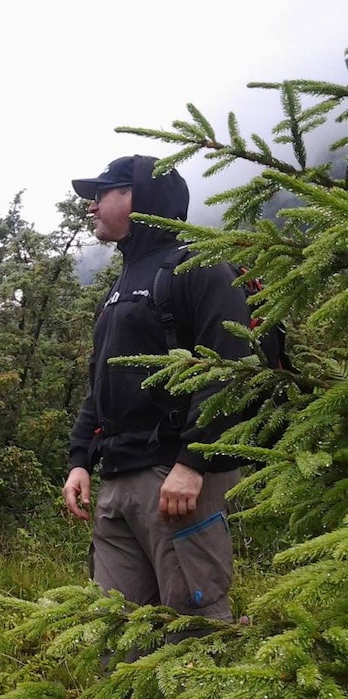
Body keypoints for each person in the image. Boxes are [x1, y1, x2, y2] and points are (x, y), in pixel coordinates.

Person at [63, 156, 253, 625]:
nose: (91, 205)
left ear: (136, 196)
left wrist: (193, 463)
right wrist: (79, 459)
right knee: (119, 626)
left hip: (177, 480)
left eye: (103, 192)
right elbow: (100, 383)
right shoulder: (120, 286)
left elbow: (229, 368)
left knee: (195, 622)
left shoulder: (199, 269)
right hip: (117, 477)